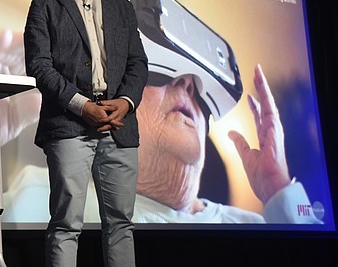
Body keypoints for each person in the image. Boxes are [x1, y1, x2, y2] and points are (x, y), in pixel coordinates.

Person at [23, 0, 178, 267]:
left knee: (120, 224)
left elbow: (138, 64)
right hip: (70, 125)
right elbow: (39, 66)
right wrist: (83, 106)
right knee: (66, 223)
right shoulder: (45, 6)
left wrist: (125, 102)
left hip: (119, 125)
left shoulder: (121, 6)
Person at [134, 65, 323, 224]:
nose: (187, 81)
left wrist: (279, 188)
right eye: (160, 67)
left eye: (196, 76)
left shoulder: (253, 226)